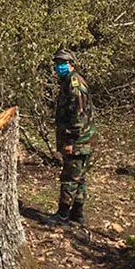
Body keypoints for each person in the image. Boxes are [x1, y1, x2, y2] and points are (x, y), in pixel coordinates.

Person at [48, 48, 95, 225]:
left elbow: (79, 118)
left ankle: (62, 215)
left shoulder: (75, 85)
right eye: (57, 63)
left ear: (71, 64)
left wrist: (71, 142)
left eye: (62, 63)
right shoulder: (68, 82)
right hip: (83, 140)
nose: (59, 66)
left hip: (79, 140)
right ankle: (77, 214)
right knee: (79, 177)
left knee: (69, 177)